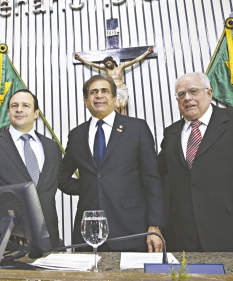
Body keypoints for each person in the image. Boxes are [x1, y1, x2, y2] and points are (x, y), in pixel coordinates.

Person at [59, 74, 165, 252]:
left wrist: (155, 225)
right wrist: (88, 187)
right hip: (88, 234)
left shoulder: (137, 128)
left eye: (104, 91)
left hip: (131, 230)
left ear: (115, 98)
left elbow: (152, 179)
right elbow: (61, 176)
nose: (99, 95)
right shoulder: (76, 134)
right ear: (85, 101)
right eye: (93, 92)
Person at [0, 89, 70, 249]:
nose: (19, 109)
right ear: (9, 111)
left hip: (47, 237)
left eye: (26, 105)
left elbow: (60, 182)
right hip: (6, 240)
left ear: (36, 113)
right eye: (14, 105)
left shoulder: (51, 147)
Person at [158, 72, 233, 252]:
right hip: (183, 236)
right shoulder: (170, 133)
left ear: (209, 92)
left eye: (193, 91)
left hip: (226, 230)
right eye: (181, 94)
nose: (187, 98)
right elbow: (157, 173)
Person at [75, 47, 153, 115]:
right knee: (117, 106)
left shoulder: (121, 67)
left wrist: (147, 52)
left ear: (112, 61)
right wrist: (80, 59)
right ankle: (118, 121)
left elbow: (135, 60)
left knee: (123, 106)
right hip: (114, 89)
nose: (108, 64)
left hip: (122, 88)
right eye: (106, 64)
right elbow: (92, 64)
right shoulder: (106, 69)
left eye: (109, 62)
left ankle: (124, 121)